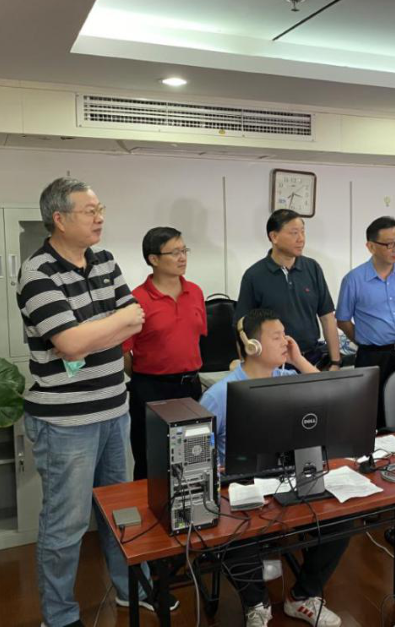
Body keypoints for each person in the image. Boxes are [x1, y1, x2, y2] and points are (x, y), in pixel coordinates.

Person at [17, 177, 175, 627]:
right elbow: (69, 344)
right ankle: (59, 615)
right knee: (65, 524)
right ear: (59, 218)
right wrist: (102, 328)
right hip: (65, 422)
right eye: (90, 211)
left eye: (100, 208)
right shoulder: (38, 273)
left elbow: (135, 319)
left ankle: (131, 591)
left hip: (113, 408)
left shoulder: (104, 260)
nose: (100, 217)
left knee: (122, 511)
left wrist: (92, 333)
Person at [200, 309, 345, 627]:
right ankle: (256, 604)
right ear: (251, 345)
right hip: (239, 486)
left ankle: (303, 596)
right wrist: (215, 467)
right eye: (276, 336)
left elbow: (332, 395)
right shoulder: (219, 395)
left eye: (285, 334)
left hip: (289, 479)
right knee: (233, 530)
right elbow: (198, 453)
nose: (285, 341)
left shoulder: (288, 379)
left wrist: (299, 360)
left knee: (343, 519)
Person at [122, 226, 206, 480]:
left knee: (194, 459)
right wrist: (145, 378)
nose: (182, 257)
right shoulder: (137, 299)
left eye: (184, 250)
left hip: (190, 386)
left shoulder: (195, 292)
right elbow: (124, 351)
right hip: (151, 389)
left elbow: (196, 337)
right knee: (151, 463)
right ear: (154, 259)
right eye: (174, 252)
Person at [336, 216, 395, 430]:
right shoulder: (354, 279)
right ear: (371, 246)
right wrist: (364, 340)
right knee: (374, 418)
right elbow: (342, 320)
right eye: (388, 244)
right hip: (373, 356)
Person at [235, 210, 341, 371]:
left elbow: (327, 317)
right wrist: (247, 370)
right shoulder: (254, 276)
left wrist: (335, 362)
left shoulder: (312, 268)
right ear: (274, 237)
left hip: (311, 359)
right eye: (294, 233)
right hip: (273, 364)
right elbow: (241, 327)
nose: (301, 239)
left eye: (303, 232)